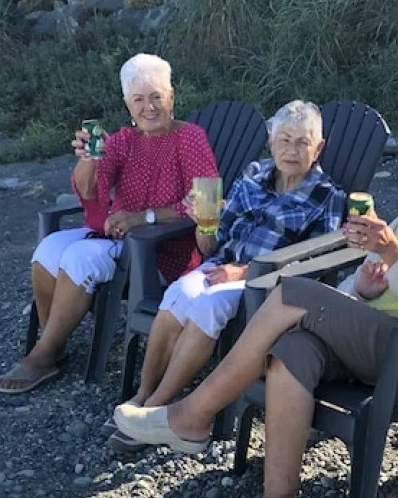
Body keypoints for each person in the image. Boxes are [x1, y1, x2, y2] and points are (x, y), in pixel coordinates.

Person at [112, 103, 398, 498]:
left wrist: (394, 257)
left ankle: (194, 416)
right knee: (293, 351)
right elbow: (352, 289)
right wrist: (362, 286)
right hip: (374, 336)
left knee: (293, 291)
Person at [0, 53, 218, 393]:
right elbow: (88, 189)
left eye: (157, 97)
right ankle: (55, 344)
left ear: (172, 98)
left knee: (80, 257)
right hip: (120, 237)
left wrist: (144, 218)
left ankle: (43, 355)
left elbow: (209, 202)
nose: (149, 107)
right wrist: (89, 159)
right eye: (139, 99)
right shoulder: (124, 140)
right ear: (128, 105)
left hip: (162, 251)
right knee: (48, 250)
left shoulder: (190, 138)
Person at [117, 100, 346, 428]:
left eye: (302, 142)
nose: (291, 150)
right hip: (220, 266)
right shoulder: (253, 175)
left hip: (268, 286)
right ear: (271, 141)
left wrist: (247, 271)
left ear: (318, 147)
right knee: (178, 295)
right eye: (284, 139)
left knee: (208, 306)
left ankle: (156, 408)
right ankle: (142, 395)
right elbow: (212, 244)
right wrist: (203, 224)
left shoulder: (327, 195)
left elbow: (316, 263)